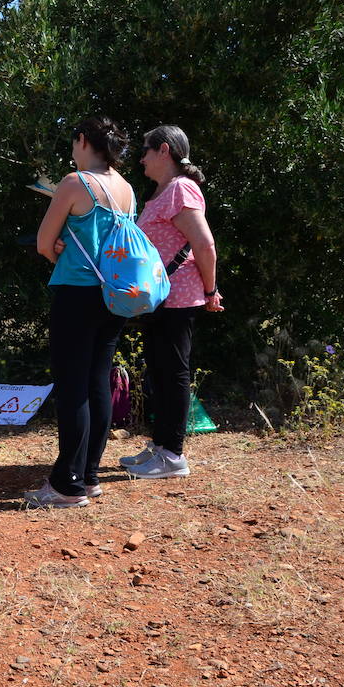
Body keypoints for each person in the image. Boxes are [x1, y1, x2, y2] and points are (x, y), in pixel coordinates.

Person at [30, 116, 135, 508]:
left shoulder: (75, 183)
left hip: (76, 292)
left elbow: (44, 242)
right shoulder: (126, 188)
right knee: (96, 382)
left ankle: (66, 486)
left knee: (72, 386)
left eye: (73, 143)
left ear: (82, 140)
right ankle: (88, 476)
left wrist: (56, 251)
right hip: (113, 294)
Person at [121, 125, 224, 479]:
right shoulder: (163, 192)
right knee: (160, 372)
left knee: (173, 373)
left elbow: (205, 244)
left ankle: (173, 456)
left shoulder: (181, 189)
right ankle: (160, 446)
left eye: (146, 150)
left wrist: (211, 292)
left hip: (178, 297)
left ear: (164, 150)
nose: (141, 158)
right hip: (160, 299)